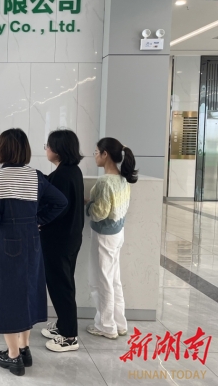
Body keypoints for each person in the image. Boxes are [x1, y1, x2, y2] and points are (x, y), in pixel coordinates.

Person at [0, 128, 68, 377]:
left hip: (6, 241)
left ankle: (13, 357)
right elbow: (60, 202)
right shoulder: (36, 176)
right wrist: (38, 220)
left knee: (7, 295)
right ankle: (25, 348)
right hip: (32, 240)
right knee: (28, 290)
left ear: (1, 149)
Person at [85, 137, 138, 340]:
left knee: (101, 281)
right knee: (114, 279)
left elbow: (99, 213)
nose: (95, 156)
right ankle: (120, 323)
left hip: (103, 236)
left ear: (105, 154)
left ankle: (106, 326)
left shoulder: (105, 181)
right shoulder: (123, 179)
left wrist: (88, 205)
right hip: (117, 233)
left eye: (96, 152)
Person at [40, 129, 85, 353]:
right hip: (70, 237)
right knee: (64, 283)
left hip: (58, 240)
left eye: (48, 146)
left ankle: (69, 336)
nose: (46, 149)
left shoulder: (62, 175)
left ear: (57, 149)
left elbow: (55, 207)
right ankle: (63, 325)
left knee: (61, 286)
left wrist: (39, 221)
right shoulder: (72, 171)